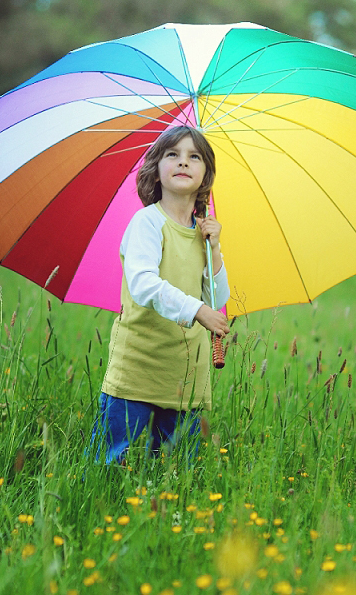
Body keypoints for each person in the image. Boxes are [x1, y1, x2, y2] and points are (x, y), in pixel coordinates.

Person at [87, 125, 230, 464]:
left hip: (185, 376)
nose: (183, 163)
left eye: (194, 157)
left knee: (175, 470)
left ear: (206, 174)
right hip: (139, 370)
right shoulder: (147, 223)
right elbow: (144, 284)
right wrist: (197, 312)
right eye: (173, 155)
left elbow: (216, 297)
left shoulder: (203, 233)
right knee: (114, 462)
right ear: (156, 169)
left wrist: (216, 250)